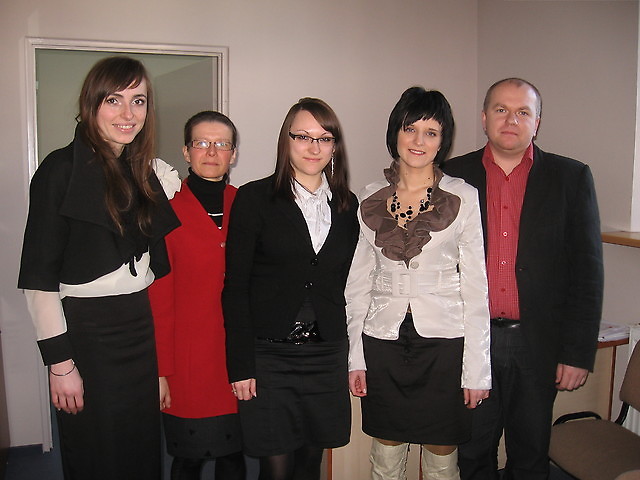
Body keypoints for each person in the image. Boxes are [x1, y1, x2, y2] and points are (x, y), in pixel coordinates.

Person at [17, 56, 181, 479]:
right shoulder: (59, 170)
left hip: (138, 325)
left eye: (138, 101)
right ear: (92, 104)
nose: (128, 113)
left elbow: (150, 265)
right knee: (97, 453)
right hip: (88, 333)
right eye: (114, 100)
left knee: (141, 449)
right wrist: (61, 364)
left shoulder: (140, 171)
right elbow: (39, 280)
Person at [442, 78, 604, 480]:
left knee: (530, 457)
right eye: (501, 110)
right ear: (484, 118)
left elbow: (587, 273)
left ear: (537, 122)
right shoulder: (451, 176)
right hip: (471, 342)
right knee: (473, 453)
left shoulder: (570, 177)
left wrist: (577, 353)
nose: (511, 120)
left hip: (537, 344)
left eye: (523, 112)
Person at [345, 86, 491, 480]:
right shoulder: (370, 197)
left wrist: (477, 371)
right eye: (410, 128)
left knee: (442, 453)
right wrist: (355, 357)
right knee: (385, 451)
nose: (419, 141)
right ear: (395, 132)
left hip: (445, 342)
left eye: (431, 132)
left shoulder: (463, 196)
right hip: (383, 339)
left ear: (442, 141)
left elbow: (476, 286)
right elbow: (357, 285)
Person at [222, 97, 359, 480]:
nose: (314, 147)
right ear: (286, 140)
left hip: (326, 355)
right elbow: (235, 287)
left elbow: (348, 283)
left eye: (324, 138)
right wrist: (240, 366)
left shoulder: (347, 206)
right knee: (275, 467)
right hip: (270, 357)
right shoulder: (255, 198)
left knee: (310, 465)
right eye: (303, 136)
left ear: (334, 146)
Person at [148, 111, 245, 480]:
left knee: (234, 457)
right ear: (186, 151)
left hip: (237, 358)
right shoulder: (166, 210)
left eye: (222, 144)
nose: (212, 152)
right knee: (188, 458)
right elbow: (158, 299)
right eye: (202, 143)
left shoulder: (247, 204)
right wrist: (160, 371)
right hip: (187, 363)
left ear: (233, 153)